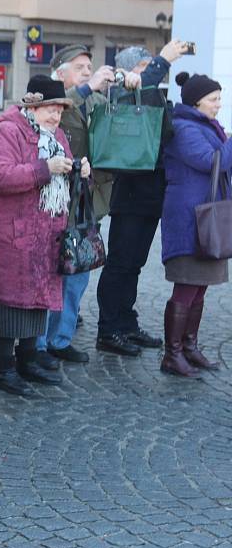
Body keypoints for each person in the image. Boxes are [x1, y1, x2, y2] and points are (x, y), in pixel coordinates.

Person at [0, 75, 91, 396]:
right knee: (10, 301)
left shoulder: (55, 136)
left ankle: (27, 359)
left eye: (59, 110)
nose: (55, 116)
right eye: (49, 109)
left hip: (45, 232)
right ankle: (3, 367)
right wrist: (46, 168)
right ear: (32, 106)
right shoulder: (7, 130)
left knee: (37, 298)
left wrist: (80, 171)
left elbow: (64, 173)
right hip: (11, 232)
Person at [95, 40, 190, 357]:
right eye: (144, 66)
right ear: (129, 70)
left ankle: (127, 323)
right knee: (120, 264)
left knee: (134, 264)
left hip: (151, 192)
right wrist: (162, 60)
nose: (150, 72)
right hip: (131, 192)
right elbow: (144, 83)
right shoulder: (121, 90)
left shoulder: (150, 91)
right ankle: (109, 330)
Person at [43, 45, 137, 365]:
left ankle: (61, 338)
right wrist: (88, 85)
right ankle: (38, 344)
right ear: (61, 72)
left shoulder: (97, 99)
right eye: (80, 66)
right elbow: (65, 102)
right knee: (50, 274)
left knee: (78, 271)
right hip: (53, 203)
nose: (87, 71)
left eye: (89, 67)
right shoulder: (53, 98)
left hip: (87, 201)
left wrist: (127, 84)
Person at [159, 72, 230, 377]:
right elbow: (213, 161)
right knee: (186, 286)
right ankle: (172, 354)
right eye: (214, 99)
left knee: (199, 287)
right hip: (189, 218)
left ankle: (189, 347)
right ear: (197, 101)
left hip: (204, 215)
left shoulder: (204, 125)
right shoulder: (184, 127)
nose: (219, 105)